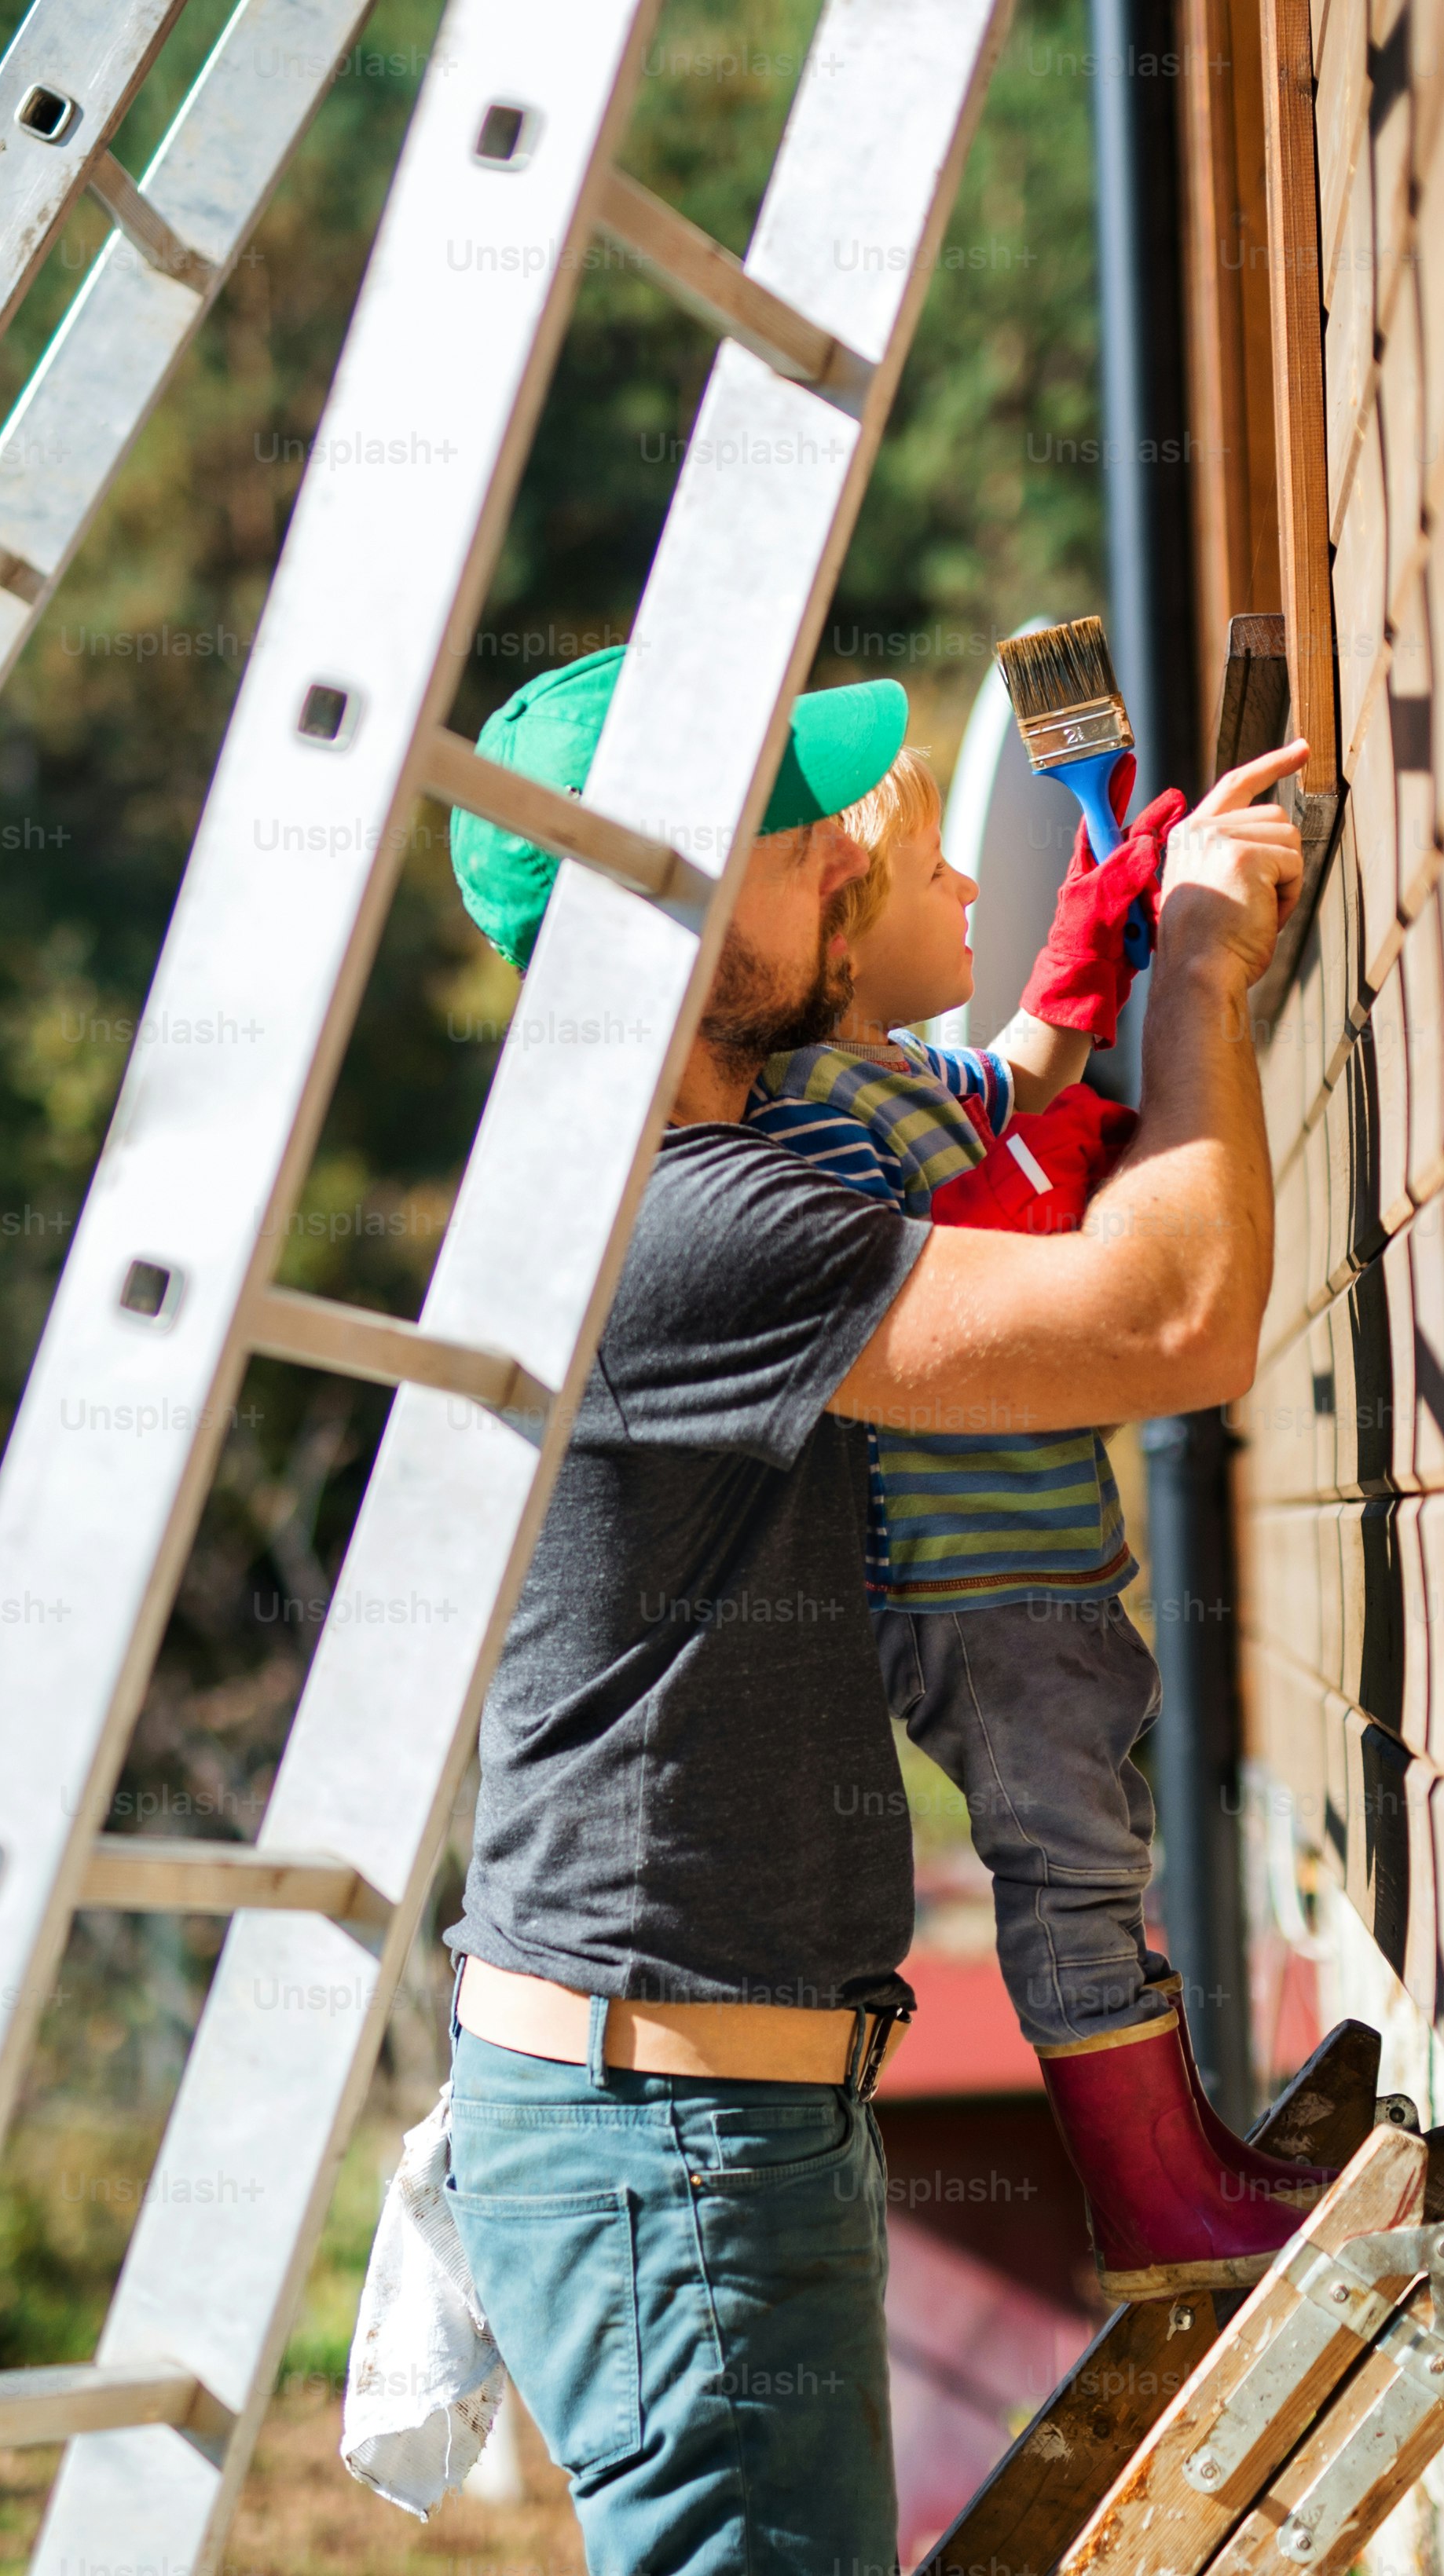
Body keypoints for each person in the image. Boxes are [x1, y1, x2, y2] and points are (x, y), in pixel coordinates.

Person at [432, 642, 1306, 2571]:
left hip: (697, 2110)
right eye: (789, 833)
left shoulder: (704, 1167)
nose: (849, 853)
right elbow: (1169, 1321)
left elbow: (990, 1112)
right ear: (646, 919)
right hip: (667, 2138)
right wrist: (1209, 979)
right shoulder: (680, 1221)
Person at [742, 747, 1337, 2306]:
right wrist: (1071, 1191)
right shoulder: (812, 1109)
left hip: (1043, 1564)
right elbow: (907, 1265)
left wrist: (1096, 921)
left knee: (1098, 1857)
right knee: (1068, 1869)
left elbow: (1027, 1069)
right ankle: (1154, 2199)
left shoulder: (907, 1075)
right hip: (972, 1581)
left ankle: (1188, 2166)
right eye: (934, 876)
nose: (964, 893)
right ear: (843, 936)